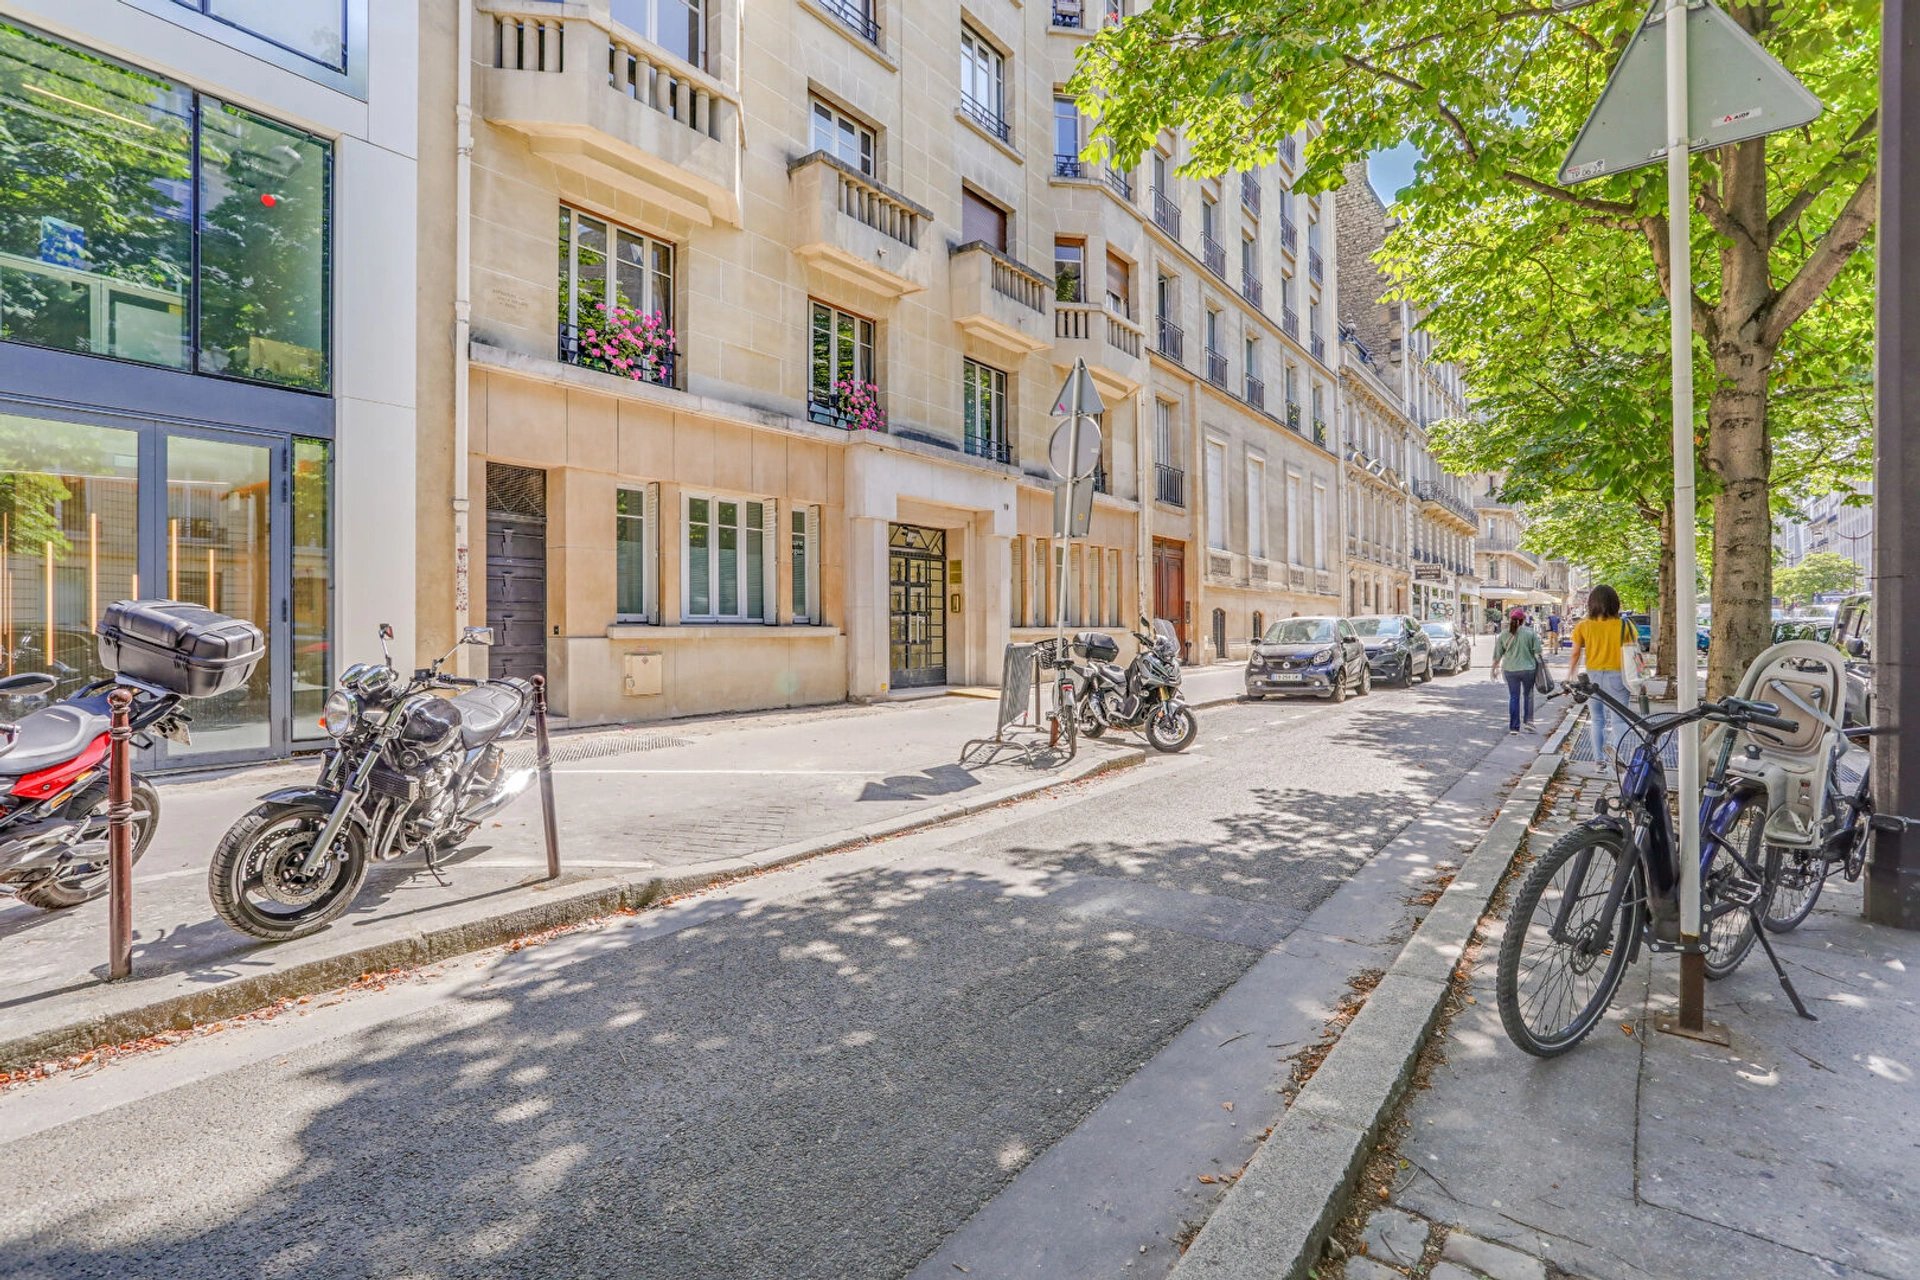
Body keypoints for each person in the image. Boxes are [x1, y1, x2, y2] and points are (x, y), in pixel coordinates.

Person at [1569, 584, 1633, 766]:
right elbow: (1635, 654)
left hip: (1593, 678)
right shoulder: (1625, 625)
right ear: (1616, 604)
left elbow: (1575, 653)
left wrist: (1571, 676)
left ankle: (1599, 760)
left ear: (1591, 604)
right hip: (1619, 677)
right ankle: (1613, 745)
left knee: (1597, 719)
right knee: (1620, 720)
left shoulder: (1583, 626)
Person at [1490, 606, 1543, 734]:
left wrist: (1493, 670)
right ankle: (1529, 721)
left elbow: (1498, 655)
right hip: (1528, 669)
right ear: (1523, 620)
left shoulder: (1503, 635)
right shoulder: (1530, 633)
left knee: (1514, 697)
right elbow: (1537, 652)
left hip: (1510, 669)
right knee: (1528, 695)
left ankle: (1514, 727)